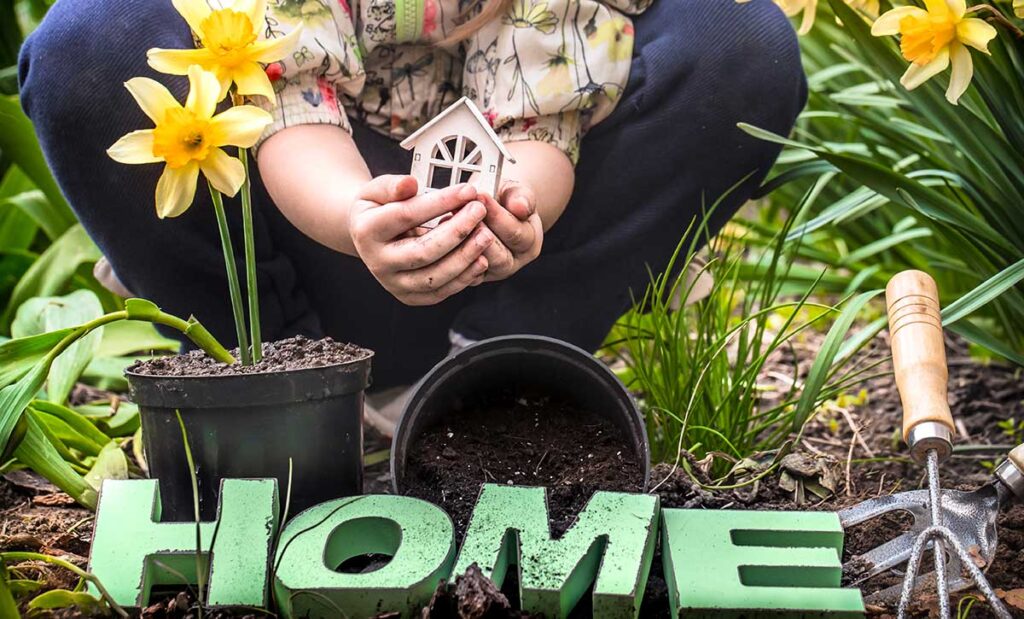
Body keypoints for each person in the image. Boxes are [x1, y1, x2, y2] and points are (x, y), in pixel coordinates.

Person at [19, 0, 806, 436]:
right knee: (87, 43)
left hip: (488, 264)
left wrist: (504, 213)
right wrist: (353, 215)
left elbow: (541, 124)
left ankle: (495, 379)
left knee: (743, 44)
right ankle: (275, 396)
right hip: (318, 238)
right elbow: (294, 112)